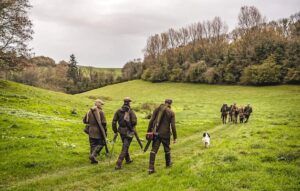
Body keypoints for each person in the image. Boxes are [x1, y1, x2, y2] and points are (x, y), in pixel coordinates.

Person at [147, 99, 177, 174]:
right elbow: (173, 126)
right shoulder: (171, 112)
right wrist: (175, 137)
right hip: (165, 134)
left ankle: (151, 168)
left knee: (154, 150)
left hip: (156, 133)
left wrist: (149, 131)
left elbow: (151, 121)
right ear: (170, 104)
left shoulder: (157, 109)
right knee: (167, 149)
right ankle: (168, 164)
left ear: (165, 102)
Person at [112, 97, 137, 170]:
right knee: (125, 147)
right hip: (129, 131)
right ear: (129, 103)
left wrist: (115, 131)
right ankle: (118, 164)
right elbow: (134, 122)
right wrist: (132, 127)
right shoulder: (131, 111)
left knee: (125, 145)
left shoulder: (118, 111)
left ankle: (128, 159)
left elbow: (114, 122)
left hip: (121, 131)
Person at [83, 99, 107, 164]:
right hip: (98, 131)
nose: (102, 106)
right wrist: (105, 131)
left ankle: (92, 160)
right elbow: (104, 123)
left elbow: (84, 121)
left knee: (92, 145)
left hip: (90, 130)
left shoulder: (88, 111)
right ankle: (93, 156)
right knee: (101, 143)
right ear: (98, 104)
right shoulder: (101, 112)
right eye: (101, 104)